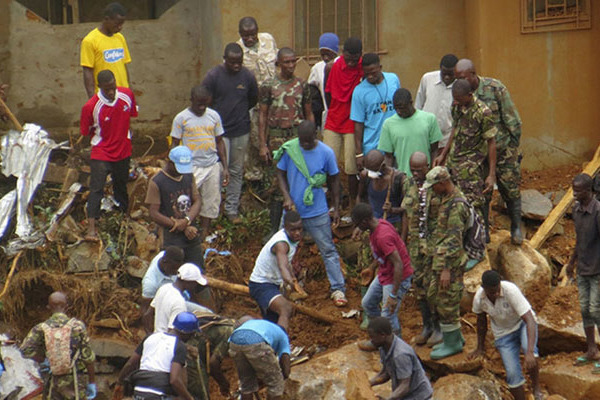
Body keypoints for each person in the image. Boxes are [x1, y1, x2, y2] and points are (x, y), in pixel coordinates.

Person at [275, 120, 348, 306]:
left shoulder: (326, 153)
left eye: (308, 141)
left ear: (316, 135)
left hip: (317, 211)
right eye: (302, 141)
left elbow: (334, 181)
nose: (305, 145)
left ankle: (338, 289)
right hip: (293, 212)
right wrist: (286, 197)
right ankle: (285, 287)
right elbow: (280, 173)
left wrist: (337, 208)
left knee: (328, 250)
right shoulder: (291, 149)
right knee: (284, 250)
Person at [454, 59, 523, 245]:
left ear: (473, 74)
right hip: (479, 156)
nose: (458, 81)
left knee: (510, 188)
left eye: (462, 77)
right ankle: (483, 230)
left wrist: (513, 150)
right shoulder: (461, 95)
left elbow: (513, 121)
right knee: (482, 193)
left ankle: (516, 225)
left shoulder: (495, 88)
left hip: (503, 150)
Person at [258, 47, 313, 240]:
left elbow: (309, 113)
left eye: (292, 62)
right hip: (276, 139)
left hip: (297, 138)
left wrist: (312, 138)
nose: (290, 66)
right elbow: (263, 115)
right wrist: (263, 144)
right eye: (286, 62)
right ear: (278, 64)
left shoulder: (302, 85)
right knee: (276, 184)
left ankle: (302, 227)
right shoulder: (268, 85)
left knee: (301, 181)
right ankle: (273, 230)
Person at [202, 43, 258, 223]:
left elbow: (253, 99)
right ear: (225, 60)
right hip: (220, 134)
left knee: (236, 170)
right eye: (233, 62)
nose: (236, 65)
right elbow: (204, 100)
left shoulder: (247, 76)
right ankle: (214, 210)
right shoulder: (213, 76)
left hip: (241, 130)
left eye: (239, 62)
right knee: (218, 171)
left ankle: (231, 209)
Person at [79, 69, 137, 241]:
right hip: (102, 150)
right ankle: (91, 228)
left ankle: (124, 221)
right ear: (100, 87)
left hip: (123, 149)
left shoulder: (127, 96)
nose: (111, 92)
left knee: (121, 184)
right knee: (96, 188)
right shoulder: (91, 106)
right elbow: (86, 130)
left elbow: (132, 115)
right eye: (107, 89)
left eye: (112, 88)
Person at [433, 78, 497, 232]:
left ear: (470, 94)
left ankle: (479, 239)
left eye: (459, 99)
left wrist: (491, 174)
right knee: (452, 200)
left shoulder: (483, 112)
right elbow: (454, 129)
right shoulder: (456, 106)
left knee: (474, 204)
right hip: (453, 162)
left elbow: (491, 142)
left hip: (471, 167)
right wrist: (444, 154)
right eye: (454, 99)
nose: (456, 102)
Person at [468, 270, 542, 400]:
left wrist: (529, 351)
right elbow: (481, 323)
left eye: (497, 290)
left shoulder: (510, 291)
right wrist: (480, 347)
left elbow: (529, 319)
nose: (496, 294)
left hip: (522, 324)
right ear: (483, 288)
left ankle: (536, 388)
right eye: (492, 292)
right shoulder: (479, 298)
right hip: (503, 334)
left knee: (529, 351)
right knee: (512, 374)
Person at [170, 85, 229, 241]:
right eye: (199, 104)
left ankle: (204, 234)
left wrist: (225, 167)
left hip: (211, 165)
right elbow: (175, 143)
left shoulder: (214, 116)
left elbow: (220, 142)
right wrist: (174, 166)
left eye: (205, 104)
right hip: (191, 166)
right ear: (191, 100)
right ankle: (186, 229)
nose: (202, 107)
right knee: (186, 199)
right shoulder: (181, 118)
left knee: (211, 200)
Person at [423, 166, 469, 360]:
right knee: (438, 297)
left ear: (443, 183)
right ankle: (455, 337)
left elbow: (454, 239)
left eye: (434, 186)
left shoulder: (457, 205)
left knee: (447, 301)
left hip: (449, 263)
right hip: (439, 258)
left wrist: (447, 269)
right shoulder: (445, 199)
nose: (432, 190)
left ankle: (453, 344)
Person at [352, 203, 413, 347]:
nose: (357, 228)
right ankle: (378, 338)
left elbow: (398, 264)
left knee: (388, 316)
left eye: (358, 224)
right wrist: (372, 267)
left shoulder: (382, 236)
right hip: (385, 273)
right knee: (368, 303)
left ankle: (396, 347)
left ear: (365, 221)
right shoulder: (376, 226)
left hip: (398, 277)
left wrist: (393, 295)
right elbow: (383, 256)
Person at [400, 152, 442, 347]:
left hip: (433, 246)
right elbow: (406, 215)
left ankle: (439, 327)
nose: (415, 173)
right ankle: (427, 326)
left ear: (427, 166)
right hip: (415, 246)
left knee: (434, 287)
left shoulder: (436, 186)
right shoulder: (408, 184)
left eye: (419, 170)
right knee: (419, 286)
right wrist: (403, 240)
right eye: (412, 170)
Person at [21, 292, 96, 400]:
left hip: (53, 382)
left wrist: (44, 359)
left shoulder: (41, 328)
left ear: (48, 307)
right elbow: (88, 357)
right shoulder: (77, 326)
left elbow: (25, 350)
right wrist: (92, 382)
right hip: (74, 381)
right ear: (67, 306)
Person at [114, 311, 198, 400]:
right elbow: (174, 380)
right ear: (187, 333)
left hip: (139, 391)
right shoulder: (179, 346)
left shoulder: (150, 337)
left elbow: (130, 364)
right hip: (159, 394)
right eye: (193, 334)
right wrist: (190, 398)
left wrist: (119, 383)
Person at [145, 146, 204, 268]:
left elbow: (197, 200)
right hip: (170, 236)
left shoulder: (188, 176)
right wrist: (178, 225)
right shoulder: (157, 182)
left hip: (191, 233)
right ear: (169, 162)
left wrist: (187, 221)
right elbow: (154, 213)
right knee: (173, 272)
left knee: (197, 270)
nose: (181, 172)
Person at [237, 16, 278, 182]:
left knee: (274, 136)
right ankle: (255, 177)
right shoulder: (237, 50)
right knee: (255, 140)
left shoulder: (268, 40)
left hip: (275, 100)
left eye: (253, 34)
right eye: (245, 35)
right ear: (240, 34)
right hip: (254, 103)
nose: (250, 38)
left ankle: (274, 175)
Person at [324, 37, 364, 206]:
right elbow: (327, 92)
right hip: (333, 119)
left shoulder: (363, 66)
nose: (351, 63)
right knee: (328, 161)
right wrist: (332, 109)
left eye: (355, 59)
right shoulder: (331, 67)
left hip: (352, 122)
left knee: (351, 166)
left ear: (360, 56)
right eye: (348, 58)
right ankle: (336, 201)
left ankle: (354, 203)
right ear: (342, 53)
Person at [566, 173, 600, 371]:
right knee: (585, 310)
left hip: (597, 270)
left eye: (577, 191)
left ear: (588, 191)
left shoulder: (597, 211)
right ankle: (591, 349)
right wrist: (571, 263)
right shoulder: (577, 210)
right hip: (583, 269)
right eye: (573, 189)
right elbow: (579, 239)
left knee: (596, 310)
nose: (574, 194)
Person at [248, 210, 303, 330]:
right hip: (261, 285)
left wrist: (293, 278)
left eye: (300, 229)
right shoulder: (281, 243)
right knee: (285, 308)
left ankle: (272, 345)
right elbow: (282, 265)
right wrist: (290, 282)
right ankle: (281, 342)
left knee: (272, 322)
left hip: (273, 284)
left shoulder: (293, 239)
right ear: (285, 228)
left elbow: (287, 263)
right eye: (293, 230)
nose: (297, 233)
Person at [351, 53, 401, 170]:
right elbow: (358, 124)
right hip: (373, 146)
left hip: (396, 143)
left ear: (380, 67)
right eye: (366, 73)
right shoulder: (359, 91)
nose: (370, 77)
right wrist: (359, 153)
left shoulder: (393, 79)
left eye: (373, 73)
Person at [378, 88, 442, 176]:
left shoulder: (429, 119)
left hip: (425, 176)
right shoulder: (388, 124)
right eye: (396, 109)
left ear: (411, 103)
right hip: (403, 178)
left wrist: (432, 172)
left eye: (402, 108)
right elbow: (389, 156)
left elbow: (434, 150)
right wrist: (390, 178)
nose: (399, 112)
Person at [368, 317, 433, 400]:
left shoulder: (400, 355)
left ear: (383, 335)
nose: (371, 341)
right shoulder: (383, 347)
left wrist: (389, 399)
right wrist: (368, 383)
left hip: (420, 397)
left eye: (372, 337)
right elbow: (386, 372)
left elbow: (405, 386)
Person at [228, 317, 291, 400]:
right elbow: (286, 367)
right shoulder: (283, 336)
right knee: (275, 384)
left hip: (234, 341)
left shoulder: (265, 325)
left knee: (247, 385)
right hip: (256, 340)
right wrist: (281, 376)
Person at [80, 2, 131, 98]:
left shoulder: (120, 38)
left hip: (122, 94)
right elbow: (88, 71)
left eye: (122, 24)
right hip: (104, 96)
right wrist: (92, 99)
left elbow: (124, 66)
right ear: (106, 19)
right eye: (117, 24)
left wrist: (130, 92)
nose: (120, 27)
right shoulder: (90, 40)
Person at [186, 312, 236, 399]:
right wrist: (223, 383)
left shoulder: (228, 322)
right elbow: (213, 363)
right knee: (201, 394)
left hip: (187, 348)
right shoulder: (230, 333)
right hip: (191, 355)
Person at [147, 263, 208, 333]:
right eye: (195, 283)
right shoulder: (179, 303)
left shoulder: (164, 288)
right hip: (166, 341)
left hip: (157, 335)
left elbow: (148, 314)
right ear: (188, 282)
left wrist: (151, 335)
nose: (195, 285)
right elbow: (173, 332)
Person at [414, 54, 458, 149]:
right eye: (444, 73)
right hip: (425, 138)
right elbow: (418, 105)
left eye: (450, 74)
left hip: (447, 140)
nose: (446, 77)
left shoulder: (460, 86)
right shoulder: (427, 79)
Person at [356, 149, 406, 226]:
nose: (371, 174)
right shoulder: (366, 176)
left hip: (393, 224)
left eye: (374, 171)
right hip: (372, 223)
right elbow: (360, 196)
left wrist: (392, 210)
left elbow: (406, 209)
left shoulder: (398, 179)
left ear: (382, 166)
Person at [140, 246, 185, 322]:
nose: (176, 272)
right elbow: (146, 311)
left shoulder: (165, 255)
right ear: (164, 262)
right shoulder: (150, 284)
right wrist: (149, 332)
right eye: (173, 268)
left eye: (178, 268)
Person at [307, 33, 339, 128]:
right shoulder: (317, 68)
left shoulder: (342, 65)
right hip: (326, 117)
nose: (326, 58)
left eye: (329, 54)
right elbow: (313, 95)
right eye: (322, 54)